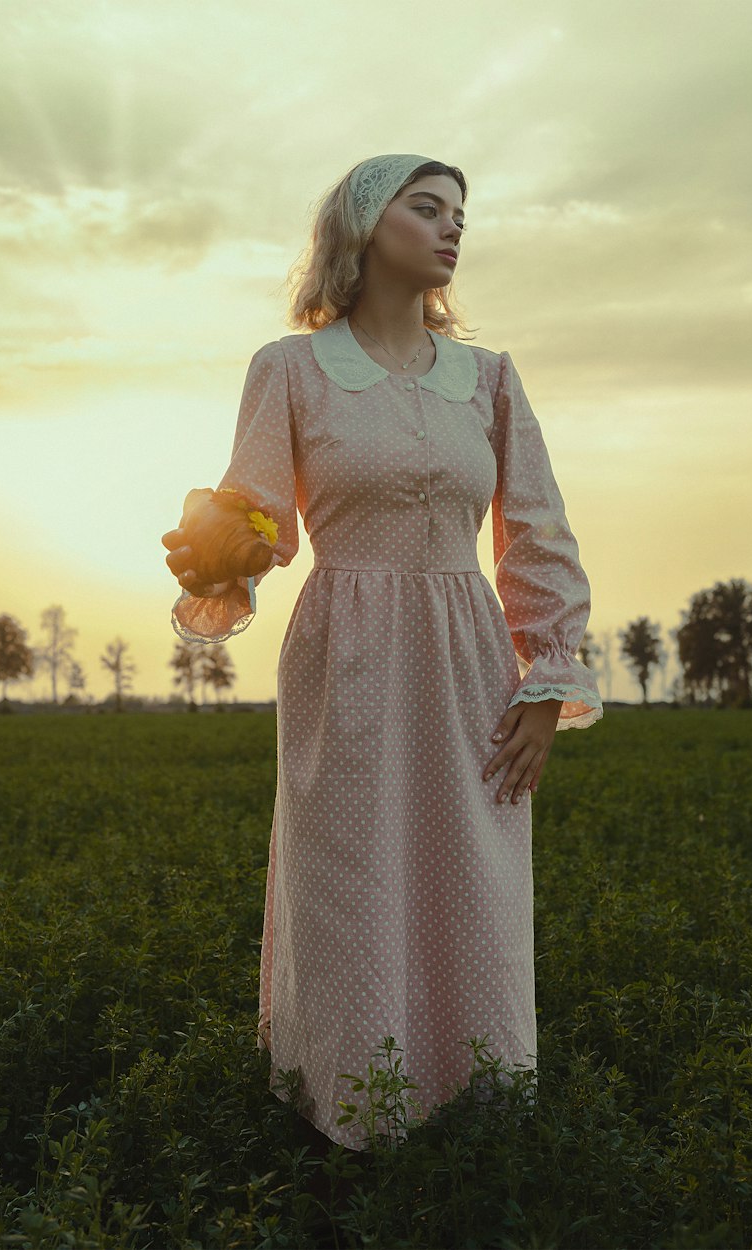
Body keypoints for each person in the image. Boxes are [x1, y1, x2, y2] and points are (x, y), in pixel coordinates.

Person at [161, 153, 604, 1159]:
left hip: (467, 652)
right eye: (426, 208)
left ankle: (475, 1116)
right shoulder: (290, 368)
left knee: (477, 879)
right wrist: (225, 545)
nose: (452, 228)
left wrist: (546, 682)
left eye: (460, 213)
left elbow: (536, 529)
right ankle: (354, 1122)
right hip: (344, 651)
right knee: (350, 874)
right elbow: (259, 517)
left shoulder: (488, 378)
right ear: (362, 227)